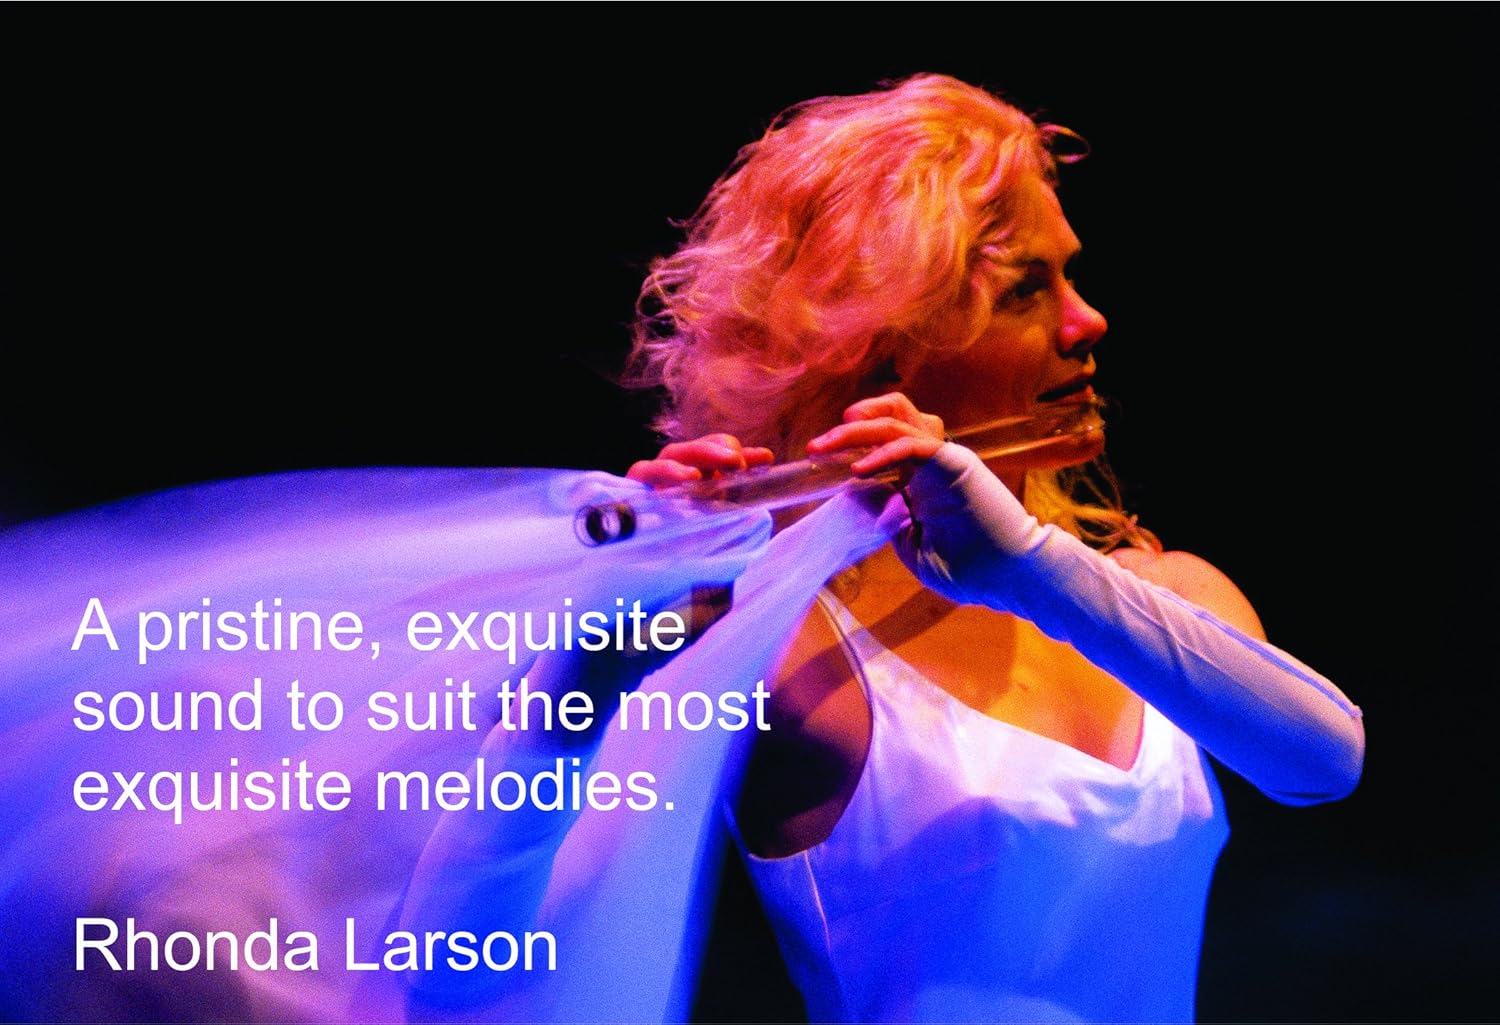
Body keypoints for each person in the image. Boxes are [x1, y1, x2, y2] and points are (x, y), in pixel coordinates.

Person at [620, 73, 1366, 1023]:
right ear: (888, 349)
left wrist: (1026, 568)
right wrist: (612, 632)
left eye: (1070, 275)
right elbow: (497, 903)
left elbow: (1324, 761)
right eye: (1025, 291)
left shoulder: (1156, 590)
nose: (1086, 322)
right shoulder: (791, 643)